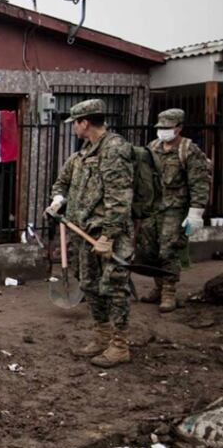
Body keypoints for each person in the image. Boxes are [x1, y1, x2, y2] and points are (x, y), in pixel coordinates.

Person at [48, 99, 135, 367]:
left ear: (84, 122)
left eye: (75, 123)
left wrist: (108, 237)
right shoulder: (82, 154)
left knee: (115, 288)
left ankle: (120, 345)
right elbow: (62, 182)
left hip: (108, 236)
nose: (74, 128)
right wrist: (58, 200)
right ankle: (101, 336)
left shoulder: (115, 149)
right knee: (90, 286)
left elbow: (119, 198)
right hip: (84, 235)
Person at [135, 108, 211, 312]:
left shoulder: (188, 150)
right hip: (153, 208)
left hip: (175, 209)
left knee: (169, 249)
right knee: (149, 249)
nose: (163, 131)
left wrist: (195, 212)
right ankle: (158, 287)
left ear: (178, 128)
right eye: (161, 128)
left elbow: (199, 183)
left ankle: (169, 291)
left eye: (168, 128)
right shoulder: (153, 147)